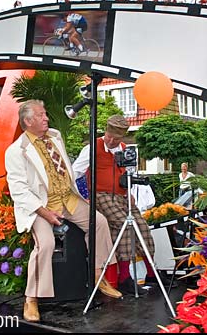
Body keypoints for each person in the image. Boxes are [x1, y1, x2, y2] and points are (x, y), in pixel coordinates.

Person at [5, 100, 121, 323]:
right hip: (41, 205)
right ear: (28, 121)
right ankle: (31, 299)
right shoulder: (16, 151)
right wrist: (46, 213)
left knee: (99, 222)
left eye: (45, 113)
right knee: (46, 244)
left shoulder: (55, 136)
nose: (46, 117)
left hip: (67, 199)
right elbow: (19, 192)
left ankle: (98, 275)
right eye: (41, 115)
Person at [73, 115, 172, 295]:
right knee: (124, 224)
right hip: (101, 195)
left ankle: (151, 274)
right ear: (106, 131)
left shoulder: (126, 150)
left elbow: (128, 175)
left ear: (122, 138)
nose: (111, 140)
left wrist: (130, 195)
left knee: (143, 227)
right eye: (109, 136)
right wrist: (80, 198)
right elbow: (74, 173)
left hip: (122, 196)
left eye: (116, 138)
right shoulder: (92, 148)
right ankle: (124, 278)